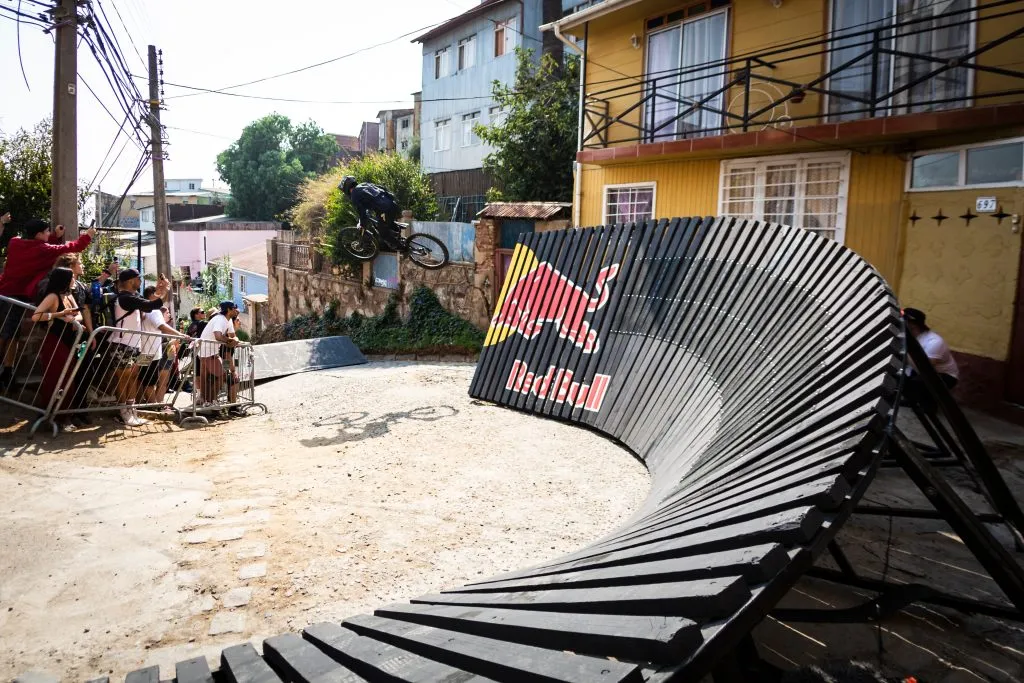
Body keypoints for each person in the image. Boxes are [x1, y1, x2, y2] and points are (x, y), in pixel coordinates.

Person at [0, 220, 95, 389]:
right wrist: (87, 236)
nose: (47, 234)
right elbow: (71, 247)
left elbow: (36, 248)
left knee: (9, 333)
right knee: (8, 333)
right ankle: (7, 371)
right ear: (38, 234)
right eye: (45, 232)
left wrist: (52, 236)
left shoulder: (14, 243)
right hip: (18, 294)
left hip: (5, 291)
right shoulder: (43, 250)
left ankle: (8, 371)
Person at [105, 268, 171, 426]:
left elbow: (149, 301)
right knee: (123, 378)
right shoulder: (125, 298)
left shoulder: (132, 297)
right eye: (138, 279)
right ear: (130, 281)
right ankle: (123, 412)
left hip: (133, 344)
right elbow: (152, 305)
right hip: (122, 344)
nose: (140, 282)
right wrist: (165, 291)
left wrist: (159, 290)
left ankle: (131, 410)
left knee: (133, 377)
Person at [30, 267, 85, 432]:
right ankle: (54, 417)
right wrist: (59, 314)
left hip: (69, 342)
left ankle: (64, 416)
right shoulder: (52, 296)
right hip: (55, 342)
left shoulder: (68, 295)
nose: (74, 279)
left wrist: (74, 319)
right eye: (71, 277)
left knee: (69, 378)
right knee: (55, 379)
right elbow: (36, 315)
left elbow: (79, 314)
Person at [138, 286, 188, 407]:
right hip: (151, 352)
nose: (161, 295)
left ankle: (143, 404)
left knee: (142, 380)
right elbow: (161, 326)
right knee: (149, 382)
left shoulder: (146, 310)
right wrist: (180, 334)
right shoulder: (154, 310)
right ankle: (154, 406)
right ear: (152, 295)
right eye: (159, 293)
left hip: (146, 350)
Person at [903, 307, 959, 406]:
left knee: (919, 382)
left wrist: (906, 350)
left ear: (912, 325)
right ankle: (913, 399)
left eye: (903, 321)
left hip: (943, 375)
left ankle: (929, 404)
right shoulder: (911, 337)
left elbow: (926, 368)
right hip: (919, 370)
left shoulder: (934, 341)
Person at [338, 175, 403, 249]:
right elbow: (381, 190)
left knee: (383, 233)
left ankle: (403, 247)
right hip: (392, 204)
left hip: (385, 210)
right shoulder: (363, 185)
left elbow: (362, 212)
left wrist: (362, 225)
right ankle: (398, 232)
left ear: (346, 188)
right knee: (383, 222)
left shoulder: (354, 195)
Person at [197, 300, 240, 411]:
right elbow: (218, 336)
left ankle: (208, 401)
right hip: (207, 352)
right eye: (235, 307)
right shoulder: (220, 319)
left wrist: (235, 339)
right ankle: (210, 402)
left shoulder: (228, 320)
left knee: (213, 377)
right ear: (229, 309)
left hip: (210, 351)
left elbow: (233, 335)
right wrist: (231, 340)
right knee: (222, 374)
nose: (237, 310)